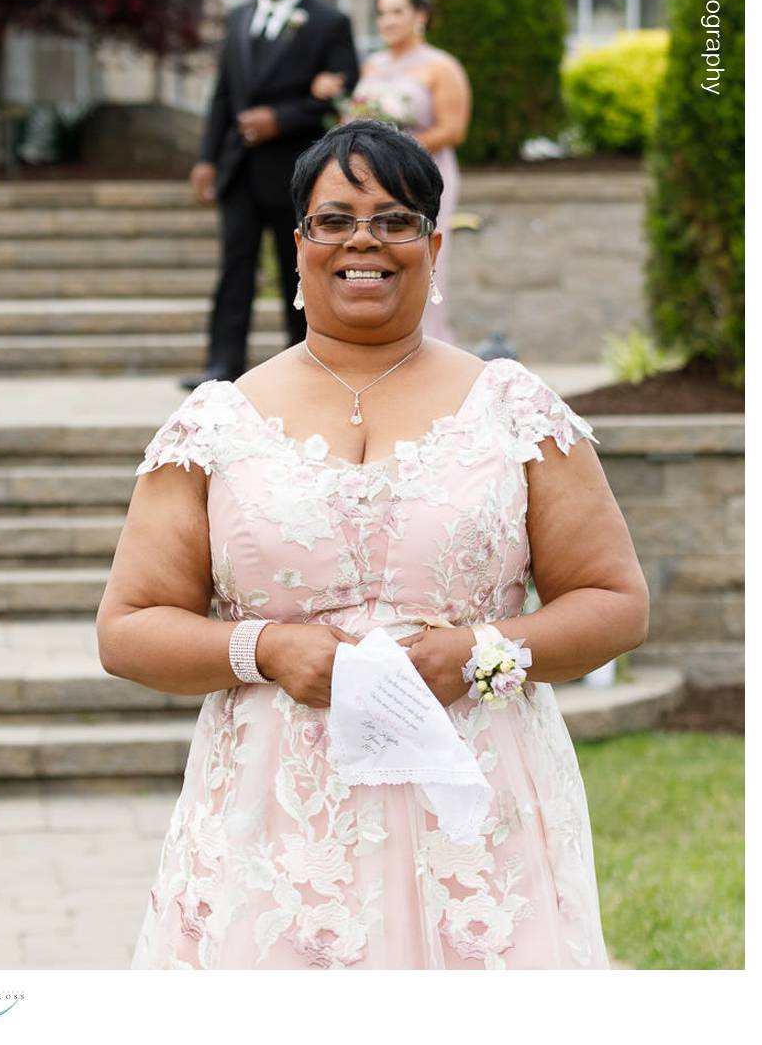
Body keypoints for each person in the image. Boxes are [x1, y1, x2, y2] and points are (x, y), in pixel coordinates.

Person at [97, 120, 649, 970]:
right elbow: (129, 627)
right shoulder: (216, 423)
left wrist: (478, 651)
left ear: (433, 245)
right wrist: (266, 648)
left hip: (477, 812)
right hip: (275, 825)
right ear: (300, 246)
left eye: (394, 219)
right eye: (336, 219)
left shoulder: (512, 408)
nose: (365, 238)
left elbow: (615, 604)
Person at [182, 0, 359, 388]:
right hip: (239, 168)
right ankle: (222, 365)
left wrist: (280, 119)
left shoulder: (329, 22)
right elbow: (223, 95)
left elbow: (343, 92)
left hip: (295, 170)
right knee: (235, 265)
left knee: (296, 268)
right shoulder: (239, 19)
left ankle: (304, 362)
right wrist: (206, 159)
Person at [311, 0, 471, 343]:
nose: (387, 21)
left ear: (420, 16)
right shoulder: (373, 65)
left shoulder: (441, 67)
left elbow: (453, 129)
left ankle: (428, 341)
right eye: (382, 13)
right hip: (372, 182)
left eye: (397, 12)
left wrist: (397, 150)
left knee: (421, 258)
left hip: (424, 176)